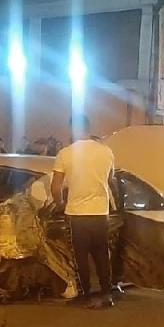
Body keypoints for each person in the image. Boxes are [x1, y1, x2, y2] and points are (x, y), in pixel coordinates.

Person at [51, 128, 116, 308]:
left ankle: (85, 297)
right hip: (101, 213)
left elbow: (56, 187)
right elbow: (111, 179)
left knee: (80, 257)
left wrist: (59, 204)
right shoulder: (106, 152)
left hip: (77, 214)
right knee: (102, 255)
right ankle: (106, 295)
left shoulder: (65, 153)